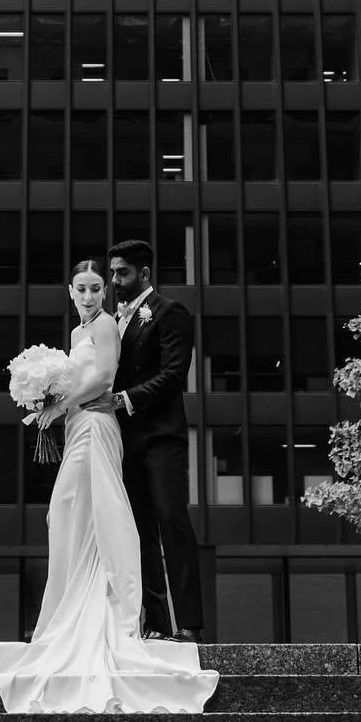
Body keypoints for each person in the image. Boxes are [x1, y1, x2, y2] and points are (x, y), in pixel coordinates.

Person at [0, 259, 217, 714]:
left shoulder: (107, 325)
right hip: (77, 426)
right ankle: (79, 607)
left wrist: (58, 406)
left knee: (81, 510)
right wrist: (49, 398)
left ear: (104, 292)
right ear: (70, 291)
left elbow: (104, 379)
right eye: (81, 289)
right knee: (74, 516)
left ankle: (118, 612)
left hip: (96, 425)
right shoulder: (76, 333)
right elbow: (79, 379)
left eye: (95, 288)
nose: (89, 296)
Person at [108, 238, 205, 641]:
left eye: (123, 273)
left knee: (172, 522)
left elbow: (173, 375)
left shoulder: (170, 312)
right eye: (113, 273)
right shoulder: (109, 322)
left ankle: (190, 625)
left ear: (144, 273)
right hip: (124, 442)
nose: (115, 280)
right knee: (140, 532)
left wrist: (122, 399)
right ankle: (156, 623)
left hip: (162, 439)